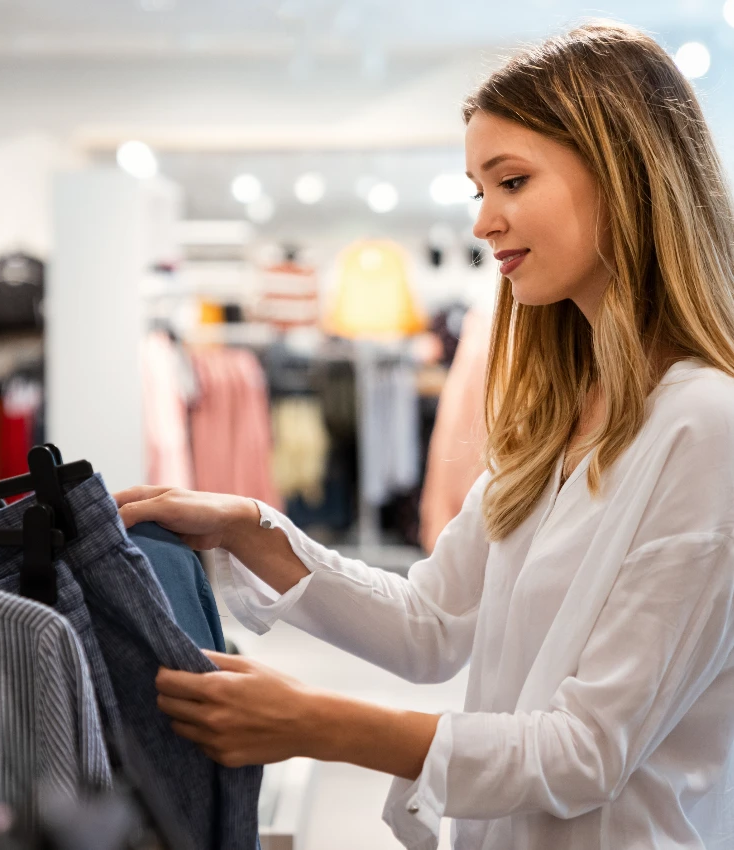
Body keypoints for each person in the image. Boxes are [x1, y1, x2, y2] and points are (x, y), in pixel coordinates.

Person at [114, 20, 734, 850]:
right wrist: (251, 527)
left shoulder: (706, 426)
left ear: (626, 172)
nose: (485, 224)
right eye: (480, 190)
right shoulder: (562, 414)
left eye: (511, 181)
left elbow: (587, 752)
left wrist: (318, 723)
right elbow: (431, 623)